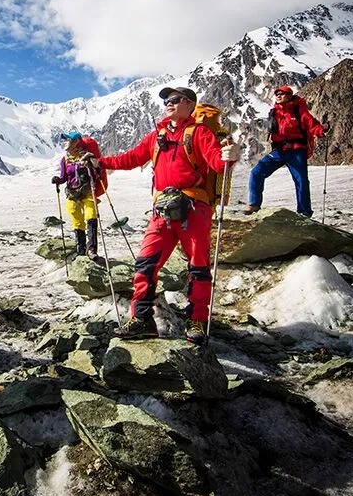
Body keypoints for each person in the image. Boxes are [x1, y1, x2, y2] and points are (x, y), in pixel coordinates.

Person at [85, 87, 239, 345]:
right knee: (145, 263)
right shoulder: (157, 135)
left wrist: (228, 158)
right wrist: (102, 162)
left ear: (190, 105)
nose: (168, 104)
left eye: (175, 100)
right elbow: (132, 158)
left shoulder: (199, 133)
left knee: (198, 267)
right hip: (163, 210)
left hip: (194, 208)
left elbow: (216, 162)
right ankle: (142, 319)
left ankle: (197, 321)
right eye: (167, 100)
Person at [245, 85, 325, 217]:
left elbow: (311, 124)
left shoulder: (298, 110)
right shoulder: (275, 112)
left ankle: (304, 211)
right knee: (256, 172)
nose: (278, 95)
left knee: (301, 180)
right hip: (279, 150)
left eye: (282, 93)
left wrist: (320, 131)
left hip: (296, 149)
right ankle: (254, 204)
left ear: (289, 96)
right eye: (277, 93)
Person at [51, 131, 103, 258]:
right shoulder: (65, 160)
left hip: (87, 191)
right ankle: (81, 250)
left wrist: (94, 165)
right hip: (72, 193)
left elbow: (98, 171)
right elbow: (64, 177)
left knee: (91, 216)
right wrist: (58, 180)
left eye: (68, 141)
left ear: (76, 142)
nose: (66, 143)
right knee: (77, 220)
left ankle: (91, 249)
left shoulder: (86, 156)